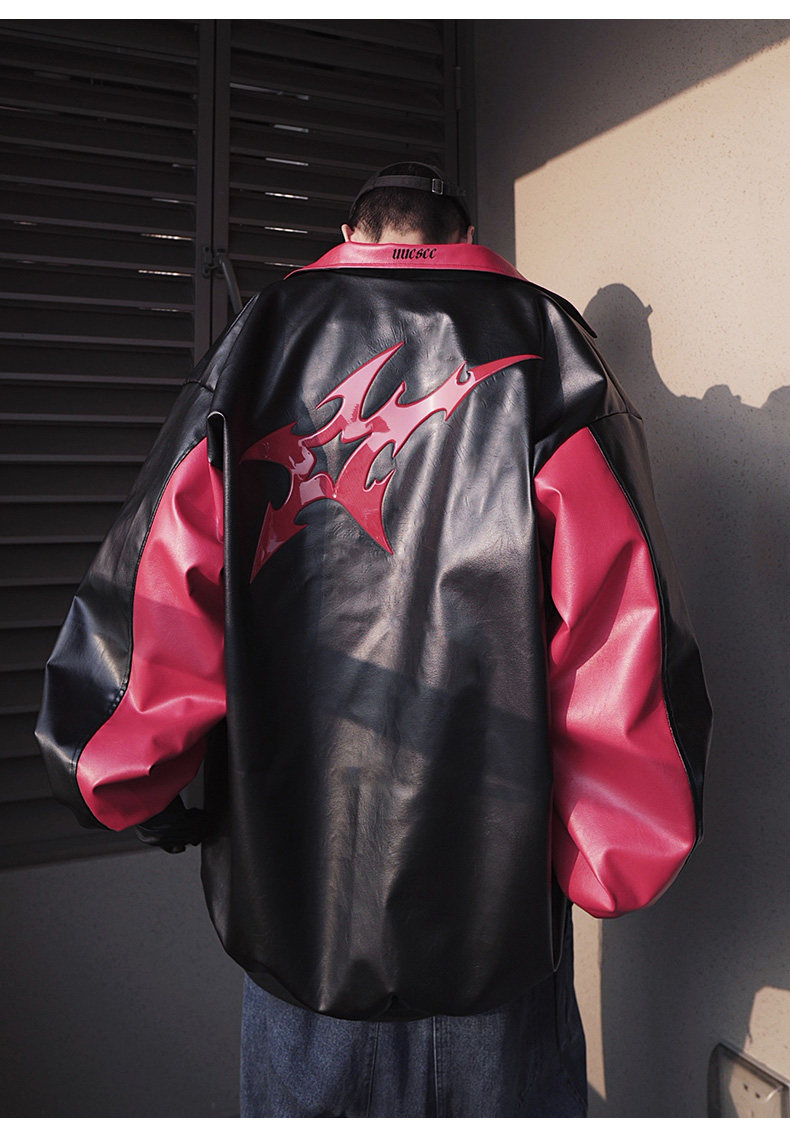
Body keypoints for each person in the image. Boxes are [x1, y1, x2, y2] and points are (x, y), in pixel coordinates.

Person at [35, 161, 712, 1117]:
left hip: (300, 922)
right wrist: (614, 850)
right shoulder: (547, 346)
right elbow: (618, 621)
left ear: (353, 235)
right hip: (495, 927)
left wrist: (116, 774)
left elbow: (159, 591)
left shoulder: (260, 339)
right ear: (464, 236)